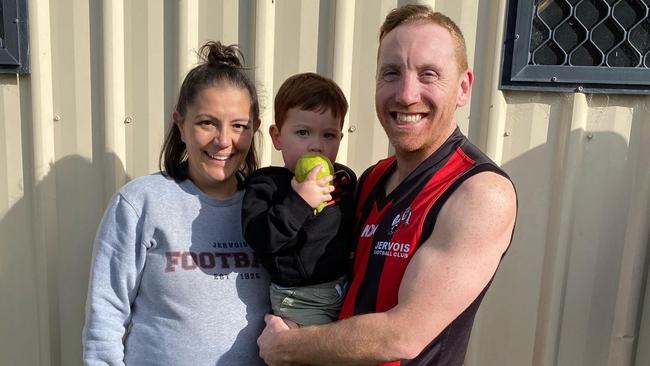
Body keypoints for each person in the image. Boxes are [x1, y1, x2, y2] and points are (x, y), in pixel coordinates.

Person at [257, 5, 517, 366]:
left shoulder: (478, 192)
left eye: (428, 74)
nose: (406, 95)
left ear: (463, 87)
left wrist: (285, 346)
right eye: (391, 73)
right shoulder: (370, 178)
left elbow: (404, 335)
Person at [82, 41, 270, 365]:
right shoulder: (140, 203)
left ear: (254, 130)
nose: (223, 141)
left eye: (238, 126)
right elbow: (105, 317)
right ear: (180, 124)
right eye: (206, 123)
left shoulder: (271, 208)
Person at [242, 73, 356, 326]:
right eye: (303, 132)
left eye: (329, 135)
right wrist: (300, 201)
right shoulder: (267, 184)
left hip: (343, 290)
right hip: (300, 299)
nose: (316, 145)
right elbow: (260, 238)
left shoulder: (344, 179)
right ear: (277, 137)